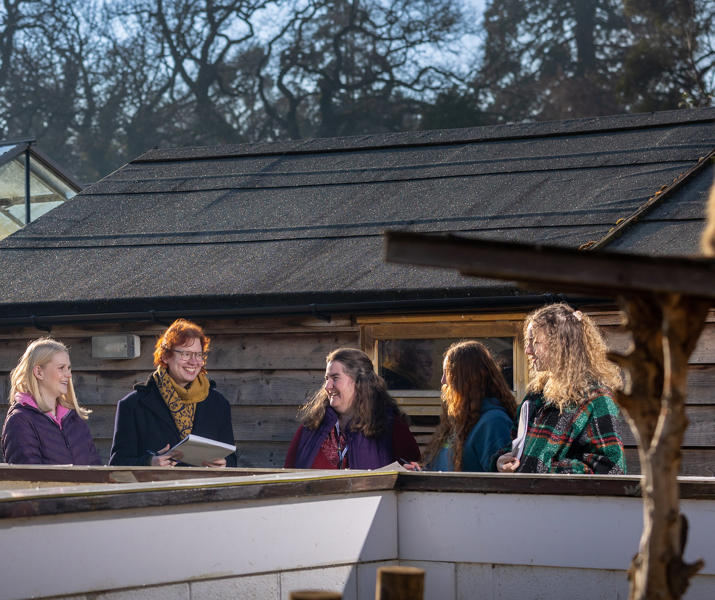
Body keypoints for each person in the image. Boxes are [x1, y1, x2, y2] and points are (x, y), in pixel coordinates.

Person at [495, 303, 626, 474]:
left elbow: (612, 468)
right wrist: (500, 461)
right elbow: (513, 444)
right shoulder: (536, 395)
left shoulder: (597, 399)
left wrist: (548, 473)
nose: (527, 350)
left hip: (561, 500)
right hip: (525, 498)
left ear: (561, 344)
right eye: (528, 342)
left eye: (535, 342)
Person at [109, 318, 237, 467]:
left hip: (204, 490)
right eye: (185, 354)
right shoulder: (132, 405)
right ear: (165, 356)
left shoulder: (218, 404)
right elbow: (117, 464)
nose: (194, 362)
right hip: (157, 489)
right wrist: (149, 463)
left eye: (198, 354)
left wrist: (224, 463)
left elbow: (232, 460)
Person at [284, 347, 421, 469]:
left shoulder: (391, 426)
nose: (327, 386)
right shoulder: (312, 426)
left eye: (335, 378)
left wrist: (409, 470)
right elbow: (288, 473)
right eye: (326, 379)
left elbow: (410, 471)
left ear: (359, 382)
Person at [419, 341, 516, 472]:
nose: (442, 381)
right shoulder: (458, 420)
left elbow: (501, 481)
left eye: (447, 373)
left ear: (468, 378)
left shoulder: (494, 422)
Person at [2, 337, 101, 465]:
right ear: (39, 372)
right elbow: (28, 479)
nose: (69, 375)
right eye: (61, 368)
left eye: (69, 368)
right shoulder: (20, 421)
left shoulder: (74, 418)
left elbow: (95, 470)